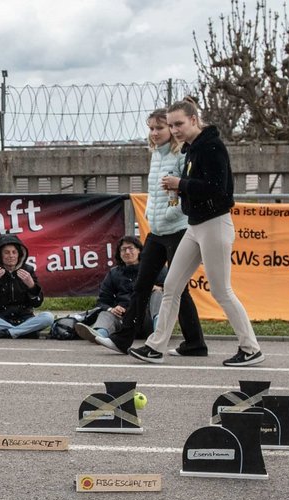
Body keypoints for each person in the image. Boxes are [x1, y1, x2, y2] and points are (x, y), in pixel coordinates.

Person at [126, 99, 263, 367]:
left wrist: (181, 184)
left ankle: (250, 348)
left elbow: (218, 189)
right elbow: (197, 186)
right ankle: (155, 346)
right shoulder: (192, 149)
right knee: (172, 285)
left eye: (178, 124)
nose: (174, 129)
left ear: (193, 120)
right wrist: (182, 188)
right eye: (171, 124)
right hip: (196, 225)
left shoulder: (211, 147)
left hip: (215, 224)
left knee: (221, 290)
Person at [95, 108, 205, 355]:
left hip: (177, 229)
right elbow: (156, 194)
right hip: (156, 231)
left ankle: (195, 343)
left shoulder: (181, 155)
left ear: (172, 130)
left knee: (177, 288)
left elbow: (181, 194)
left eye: (160, 128)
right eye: (151, 128)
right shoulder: (156, 155)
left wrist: (168, 215)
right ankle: (123, 340)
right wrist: (151, 216)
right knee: (142, 285)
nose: (154, 133)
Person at [75, 236, 164, 342]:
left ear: (139, 250)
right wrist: (112, 309)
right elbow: (103, 301)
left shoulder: (154, 267)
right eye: (123, 249)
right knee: (106, 313)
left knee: (158, 293)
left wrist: (157, 288)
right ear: (119, 253)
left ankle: (160, 330)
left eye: (130, 248)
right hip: (125, 320)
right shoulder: (113, 273)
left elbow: (172, 290)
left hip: (147, 318)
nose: (127, 252)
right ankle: (99, 335)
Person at [0, 234, 54, 338]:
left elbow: (38, 303)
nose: (11, 256)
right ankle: (24, 332)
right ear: (0, 255)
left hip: (25, 318)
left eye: (14, 252)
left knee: (48, 317)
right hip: (1, 318)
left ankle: (8, 333)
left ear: (19, 254)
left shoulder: (28, 270)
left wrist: (32, 285)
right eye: (6, 252)